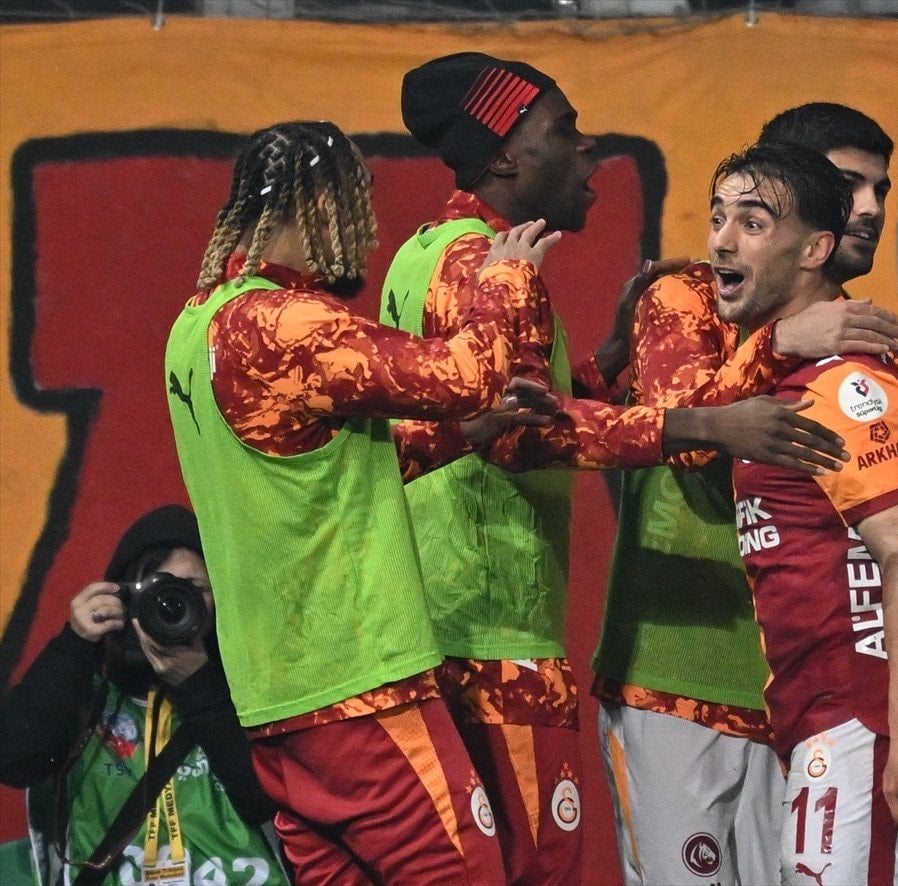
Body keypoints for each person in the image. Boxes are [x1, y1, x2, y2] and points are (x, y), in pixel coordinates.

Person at [386, 53, 852, 885]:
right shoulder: (484, 267)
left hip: (458, 626)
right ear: (507, 157)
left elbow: (510, 403)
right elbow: (517, 436)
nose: (587, 145)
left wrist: (604, 360)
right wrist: (705, 421)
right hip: (489, 643)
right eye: (562, 129)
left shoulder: (429, 252)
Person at [164, 119, 563, 884]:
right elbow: (468, 375)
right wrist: (506, 278)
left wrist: (465, 435)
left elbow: (321, 472)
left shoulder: (198, 325)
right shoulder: (287, 325)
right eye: (357, 204)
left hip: (277, 702)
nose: (366, 231)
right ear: (319, 203)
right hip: (362, 686)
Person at [592, 102, 898, 885]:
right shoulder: (685, 297)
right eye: (850, 185)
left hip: (807, 692)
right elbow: (681, 427)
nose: (870, 207)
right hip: (678, 679)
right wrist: (782, 343)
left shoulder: (862, 339)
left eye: (880, 189)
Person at [718, 142, 898, 885]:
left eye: (752, 223)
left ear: (814, 249)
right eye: (717, 217)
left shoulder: (848, 382)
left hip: (863, 721)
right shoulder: (779, 376)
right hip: (825, 716)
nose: (722, 241)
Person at [0, 504, 288, 886]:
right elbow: (15, 761)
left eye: (194, 588)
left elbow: (272, 804)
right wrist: (74, 644)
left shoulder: (256, 688)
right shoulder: (88, 692)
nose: (171, 602)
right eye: (156, 588)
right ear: (123, 597)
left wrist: (199, 686)